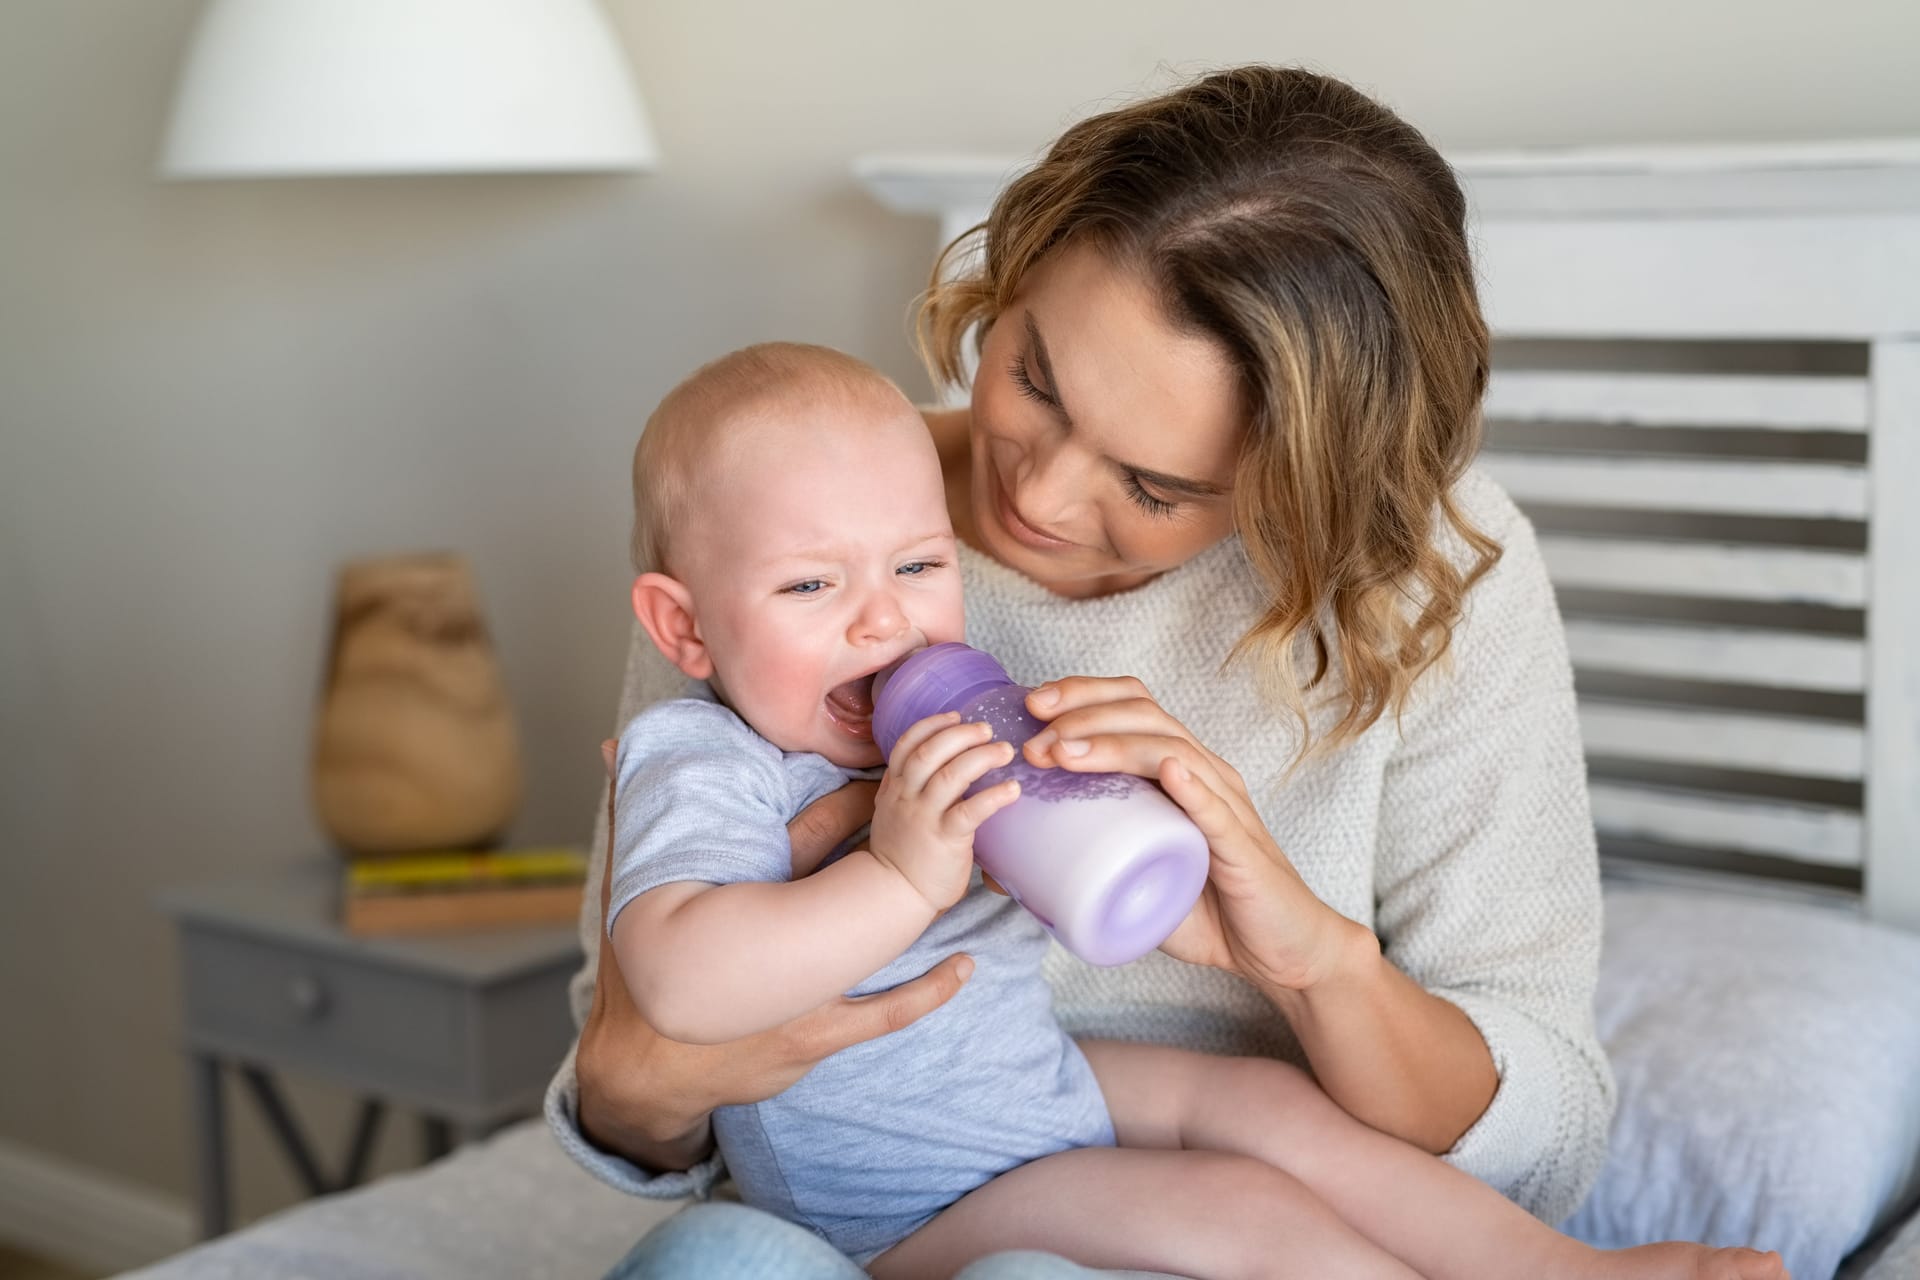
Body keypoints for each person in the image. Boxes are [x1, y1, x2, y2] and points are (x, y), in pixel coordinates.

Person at [542, 64, 1789, 1277]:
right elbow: (641, 1059)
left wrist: (1309, 961)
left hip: (1162, 1149)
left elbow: (1545, 1124)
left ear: (1299, 490)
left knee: (1237, 1172)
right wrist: (655, 1066)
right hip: (873, 1189)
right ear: (1014, 269)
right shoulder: (792, 527)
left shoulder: (1425, 584)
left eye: (1154, 486)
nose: (1034, 490)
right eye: (1034, 376)